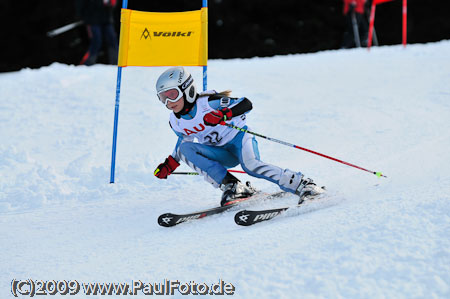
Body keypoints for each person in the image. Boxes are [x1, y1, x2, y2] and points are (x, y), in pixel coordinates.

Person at [153, 67, 324, 207]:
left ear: (187, 89)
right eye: (163, 98)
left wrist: (223, 114)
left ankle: (303, 184)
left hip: (239, 140)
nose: (168, 103)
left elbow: (246, 103)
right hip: (220, 153)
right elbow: (183, 142)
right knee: (185, 149)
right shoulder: (175, 122)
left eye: (172, 95)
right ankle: (234, 186)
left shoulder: (209, 102)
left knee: (251, 166)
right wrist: (170, 164)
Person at [75, 0, 118, 65]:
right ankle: (87, 63)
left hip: (106, 18)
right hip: (92, 20)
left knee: (113, 40)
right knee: (96, 42)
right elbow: (80, 4)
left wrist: (111, 3)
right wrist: (82, 17)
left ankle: (117, 62)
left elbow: (113, 3)